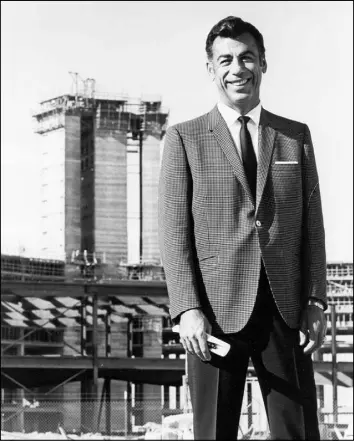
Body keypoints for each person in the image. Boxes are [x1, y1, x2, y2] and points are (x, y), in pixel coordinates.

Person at [158, 16, 327, 440]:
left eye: (247, 57)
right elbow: (174, 233)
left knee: (298, 431)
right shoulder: (184, 138)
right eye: (226, 59)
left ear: (263, 64)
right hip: (213, 315)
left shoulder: (295, 137)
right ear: (211, 69)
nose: (238, 68)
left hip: (285, 312)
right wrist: (186, 309)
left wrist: (316, 301)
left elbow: (313, 228)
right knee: (214, 432)